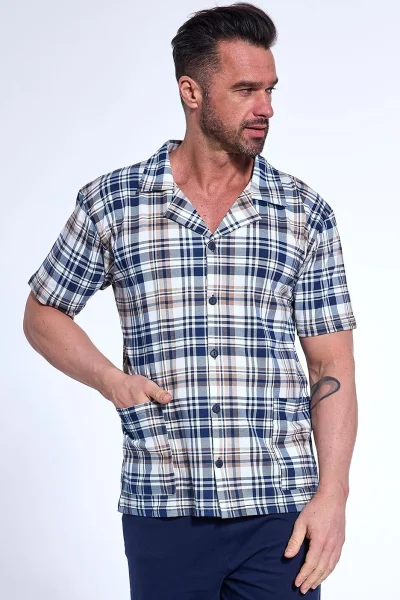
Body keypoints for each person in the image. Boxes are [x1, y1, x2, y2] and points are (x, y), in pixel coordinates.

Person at [23, 3, 358, 598]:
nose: (266, 107)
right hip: (164, 504)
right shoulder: (115, 203)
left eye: (271, 89)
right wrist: (109, 379)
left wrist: (333, 496)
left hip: (280, 513)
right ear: (192, 92)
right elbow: (43, 312)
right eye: (246, 90)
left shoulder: (304, 213)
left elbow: (332, 364)